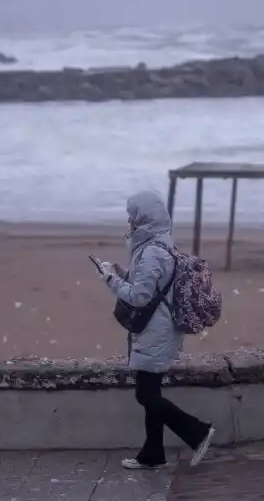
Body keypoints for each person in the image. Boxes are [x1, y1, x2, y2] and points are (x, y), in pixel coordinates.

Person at [98, 190, 215, 470]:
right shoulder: (159, 244)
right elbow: (148, 287)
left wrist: (110, 281)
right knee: (151, 391)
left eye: (133, 215)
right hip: (158, 328)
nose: (129, 220)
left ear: (144, 218)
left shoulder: (151, 251)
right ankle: (153, 455)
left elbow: (139, 297)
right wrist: (121, 273)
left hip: (156, 330)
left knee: (145, 394)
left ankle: (197, 432)